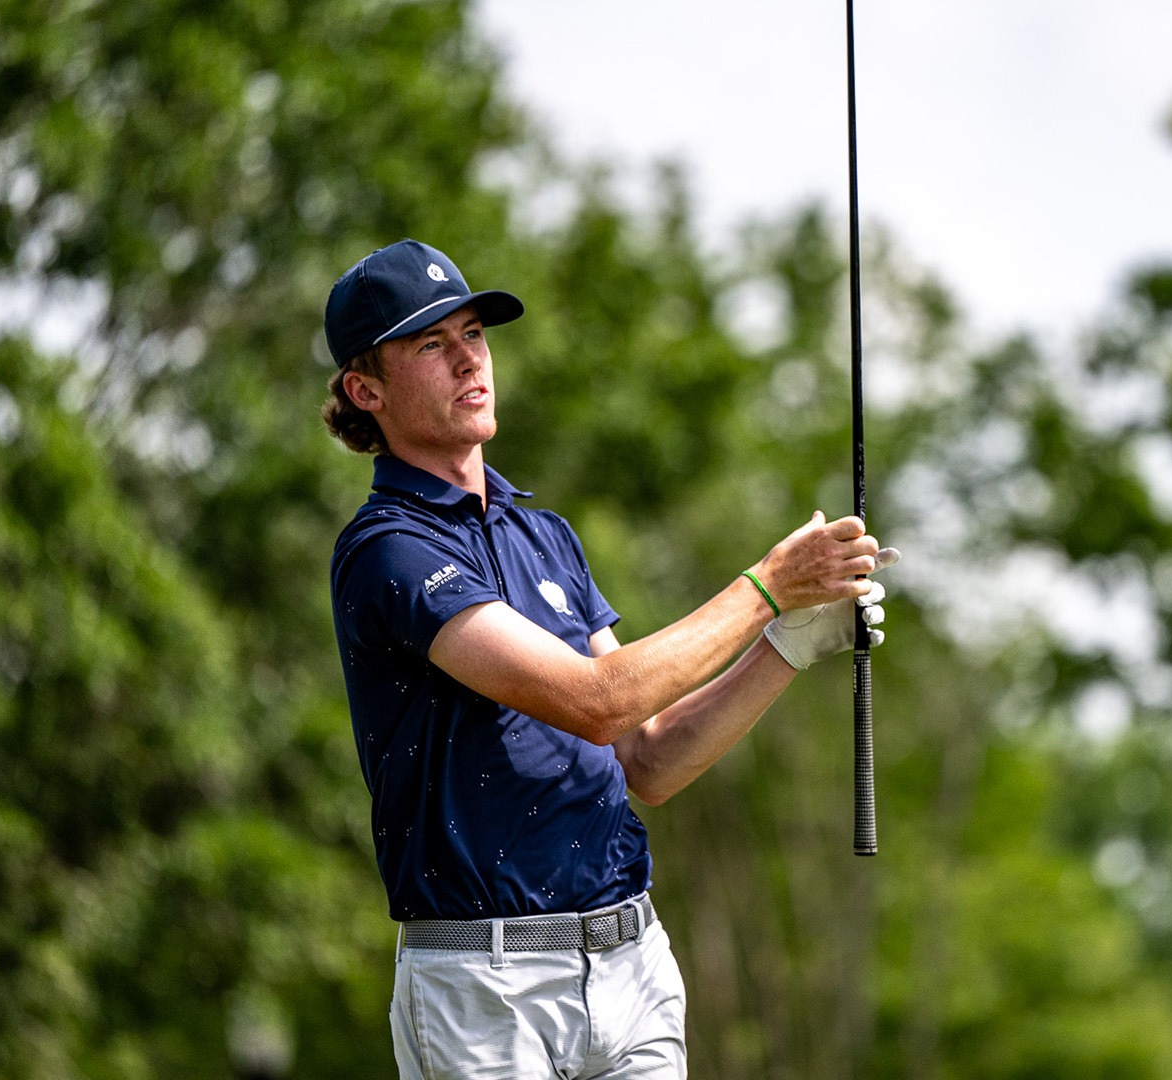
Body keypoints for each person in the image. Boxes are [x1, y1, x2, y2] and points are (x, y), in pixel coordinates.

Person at [322, 239, 896, 1079]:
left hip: (631, 966)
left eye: (474, 334)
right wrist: (769, 585)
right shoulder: (388, 550)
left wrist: (786, 646)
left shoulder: (544, 536)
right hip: (486, 989)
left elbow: (647, 757)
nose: (469, 361)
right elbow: (595, 702)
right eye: (431, 345)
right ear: (365, 390)